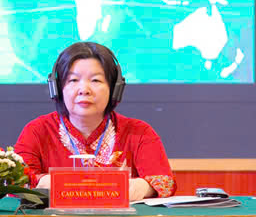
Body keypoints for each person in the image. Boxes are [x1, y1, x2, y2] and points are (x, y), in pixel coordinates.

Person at [14, 42, 175, 200]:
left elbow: (165, 183)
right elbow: (16, 182)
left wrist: (144, 187)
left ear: (114, 89)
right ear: (57, 88)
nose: (84, 90)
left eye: (96, 80)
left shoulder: (139, 132)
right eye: (73, 80)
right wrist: (42, 181)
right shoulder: (37, 131)